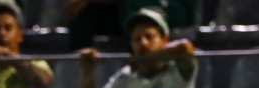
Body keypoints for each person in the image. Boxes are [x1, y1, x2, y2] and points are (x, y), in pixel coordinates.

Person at [66, 0, 196, 51]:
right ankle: (79, 67)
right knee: (83, 13)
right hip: (123, 10)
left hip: (171, 6)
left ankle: (147, 59)